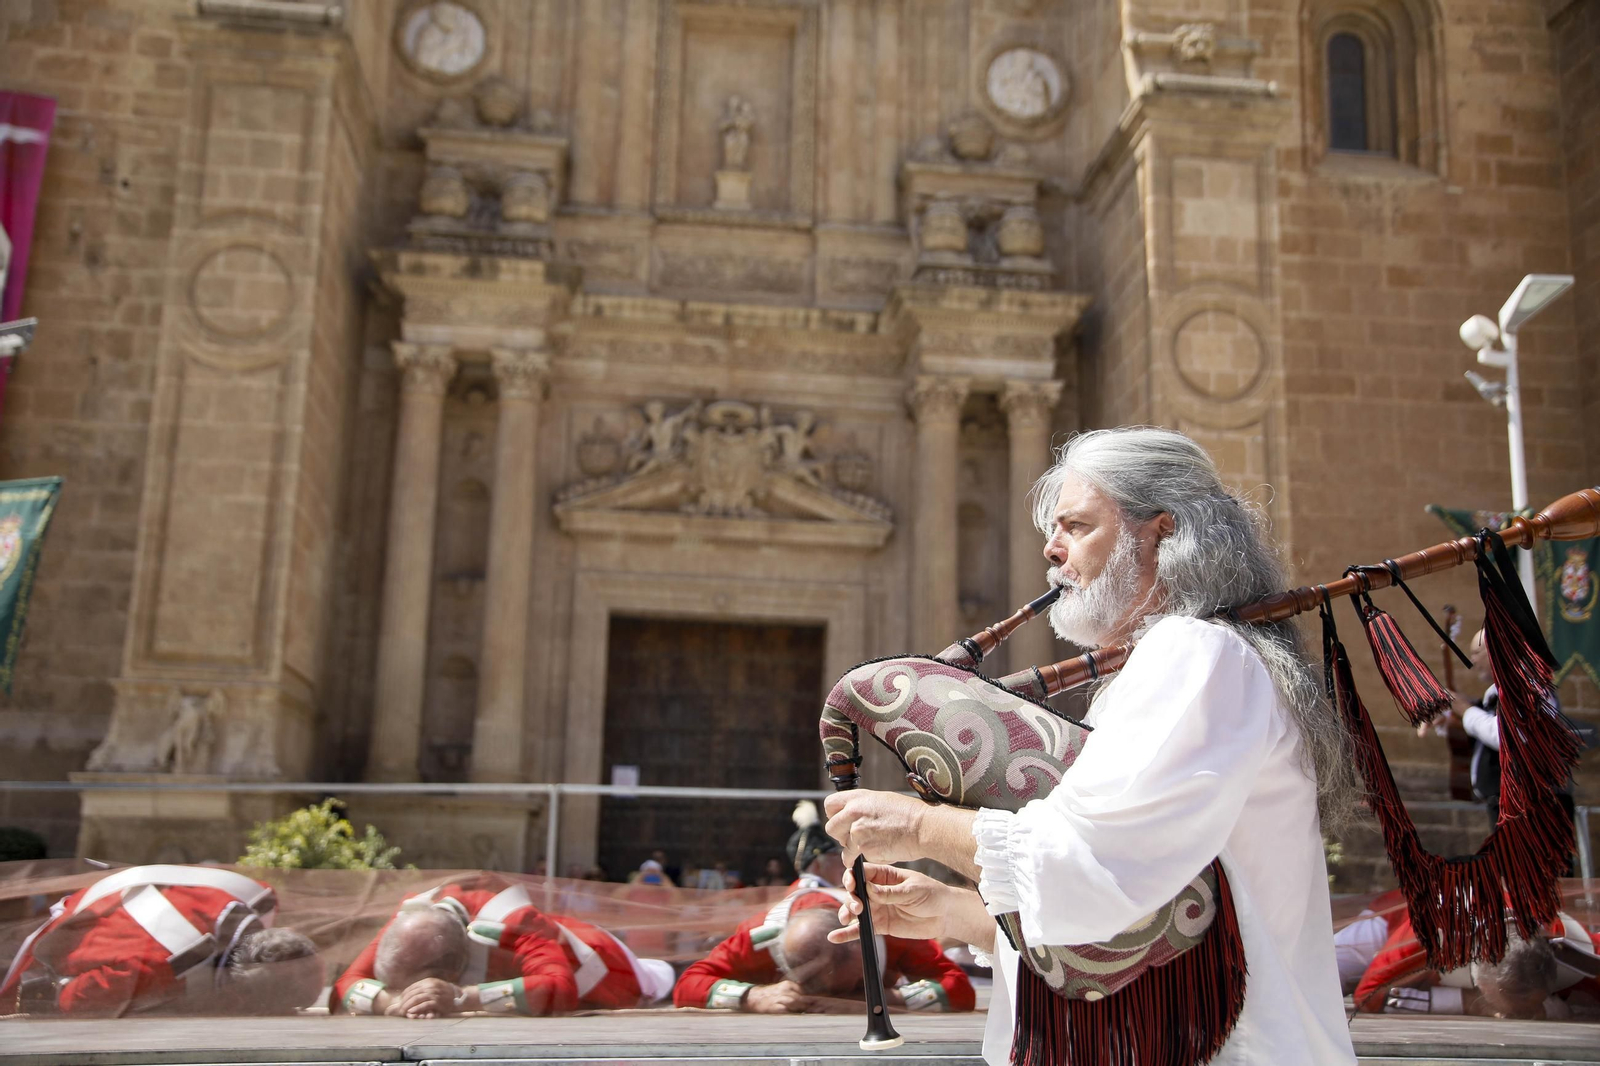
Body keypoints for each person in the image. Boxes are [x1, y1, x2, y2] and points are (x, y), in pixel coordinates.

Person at [823, 427, 1362, 1065]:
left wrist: (920, 826)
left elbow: (1094, 866)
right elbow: (1138, 929)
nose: (1052, 550)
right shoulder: (1174, 666)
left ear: (1161, 533)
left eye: (1077, 526)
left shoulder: (1199, 653)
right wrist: (950, 913)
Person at [0, 864, 321, 1016]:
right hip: (68, 934)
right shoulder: (155, 968)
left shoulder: (257, 901)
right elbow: (76, 1000)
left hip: (117, 893)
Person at [332, 873, 673, 1017]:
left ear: (452, 969)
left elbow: (559, 986)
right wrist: (391, 1000)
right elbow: (345, 984)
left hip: (603, 966)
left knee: (657, 978)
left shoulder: (515, 920)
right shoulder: (411, 924)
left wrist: (462, 997)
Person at [672, 880, 974, 1014]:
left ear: (868, 950)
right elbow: (688, 985)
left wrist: (879, 1001)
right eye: (817, 985)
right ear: (784, 964)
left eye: (859, 984)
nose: (838, 998)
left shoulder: (891, 928)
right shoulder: (759, 937)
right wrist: (753, 996)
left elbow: (959, 987)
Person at [1351, 908, 1600, 1018]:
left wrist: (1555, 1009)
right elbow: (1367, 997)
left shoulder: (1577, 952)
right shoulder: (1429, 931)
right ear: (1478, 976)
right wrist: (1467, 1003)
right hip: (1389, 923)